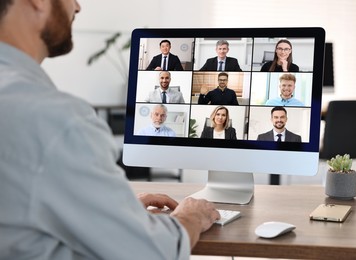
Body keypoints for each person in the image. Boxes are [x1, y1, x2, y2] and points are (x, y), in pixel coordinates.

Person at [0, 1, 220, 259]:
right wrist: (190, 216)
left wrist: (113, 210)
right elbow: (150, 253)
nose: (78, 7)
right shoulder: (56, 119)